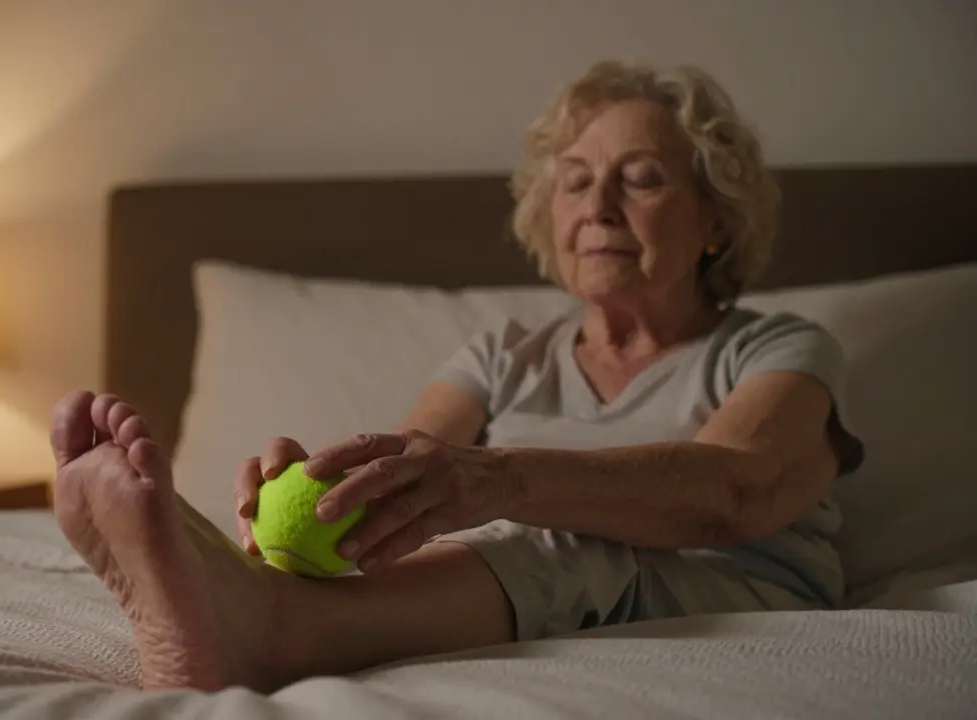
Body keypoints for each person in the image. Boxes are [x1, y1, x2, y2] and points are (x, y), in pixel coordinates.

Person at [48, 59, 864, 693]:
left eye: (642, 178)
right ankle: (230, 583)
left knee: (567, 545)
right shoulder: (502, 356)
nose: (599, 205)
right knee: (474, 535)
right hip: (523, 573)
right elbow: (413, 477)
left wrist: (500, 481)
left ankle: (266, 631)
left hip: (736, 589)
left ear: (716, 218)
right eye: (575, 181)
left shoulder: (780, 348)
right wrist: (319, 505)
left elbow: (738, 492)